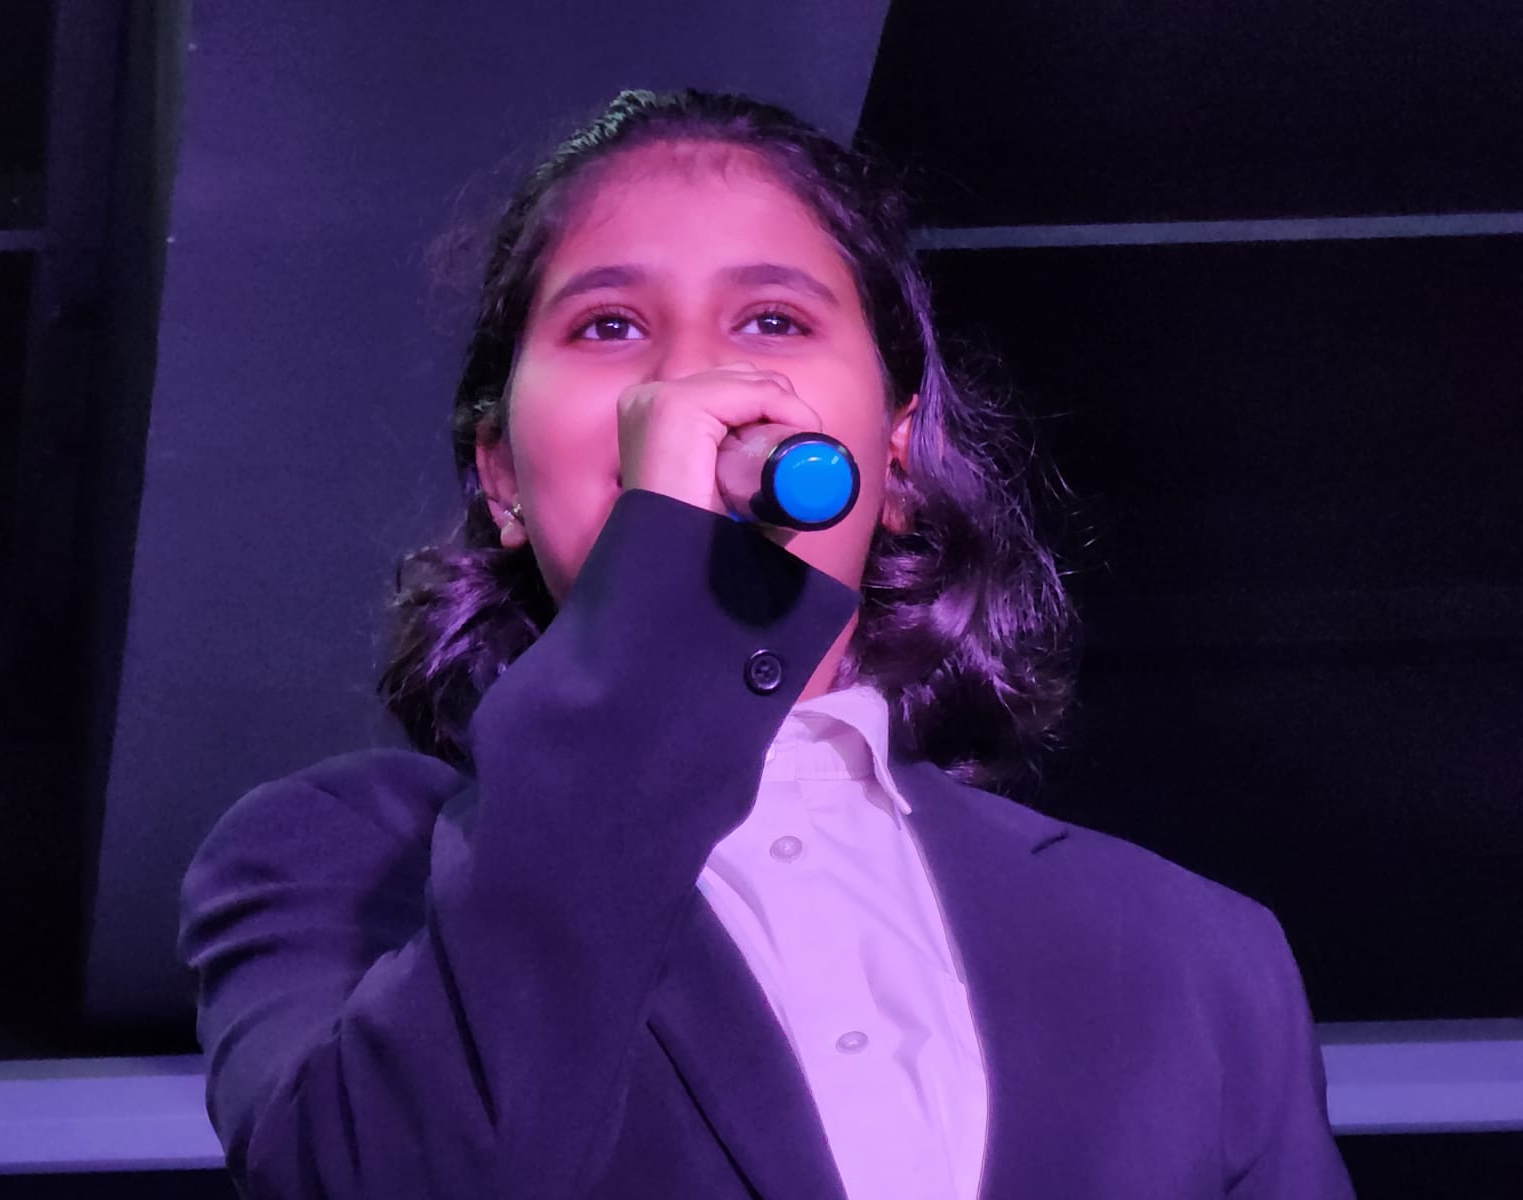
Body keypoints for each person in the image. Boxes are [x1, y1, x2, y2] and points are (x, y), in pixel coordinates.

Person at [179, 89, 1354, 1199]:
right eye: (609, 325)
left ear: (895, 454)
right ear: (502, 478)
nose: (698, 382)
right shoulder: (338, 859)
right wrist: (663, 606)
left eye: (773, 320)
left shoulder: (1199, 952)